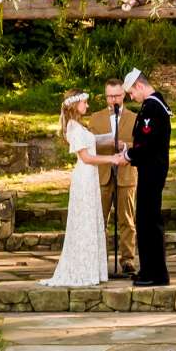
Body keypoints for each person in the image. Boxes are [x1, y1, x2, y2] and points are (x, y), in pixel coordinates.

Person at [45, 90, 128, 286]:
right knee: (84, 220)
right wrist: (111, 158)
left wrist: (113, 138)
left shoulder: (79, 126)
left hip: (90, 177)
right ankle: (82, 268)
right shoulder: (73, 127)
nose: (87, 106)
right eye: (84, 103)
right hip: (84, 176)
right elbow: (86, 157)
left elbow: (93, 141)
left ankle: (92, 268)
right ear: (75, 105)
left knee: (91, 220)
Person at [125, 68, 175, 287]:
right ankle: (149, 269)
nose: (131, 98)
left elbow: (147, 143)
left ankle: (155, 273)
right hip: (151, 169)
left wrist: (128, 155)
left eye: (131, 93)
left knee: (148, 221)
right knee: (146, 220)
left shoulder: (152, 107)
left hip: (151, 170)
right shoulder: (154, 104)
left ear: (139, 86)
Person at [92, 80, 140, 278]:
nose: (114, 100)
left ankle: (128, 260)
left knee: (127, 220)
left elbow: (140, 144)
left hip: (126, 174)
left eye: (117, 96)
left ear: (124, 95)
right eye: (110, 96)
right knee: (98, 220)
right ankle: (97, 260)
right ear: (105, 97)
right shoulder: (95, 118)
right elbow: (88, 144)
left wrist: (125, 145)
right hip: (102, 174)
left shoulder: (135, 118)